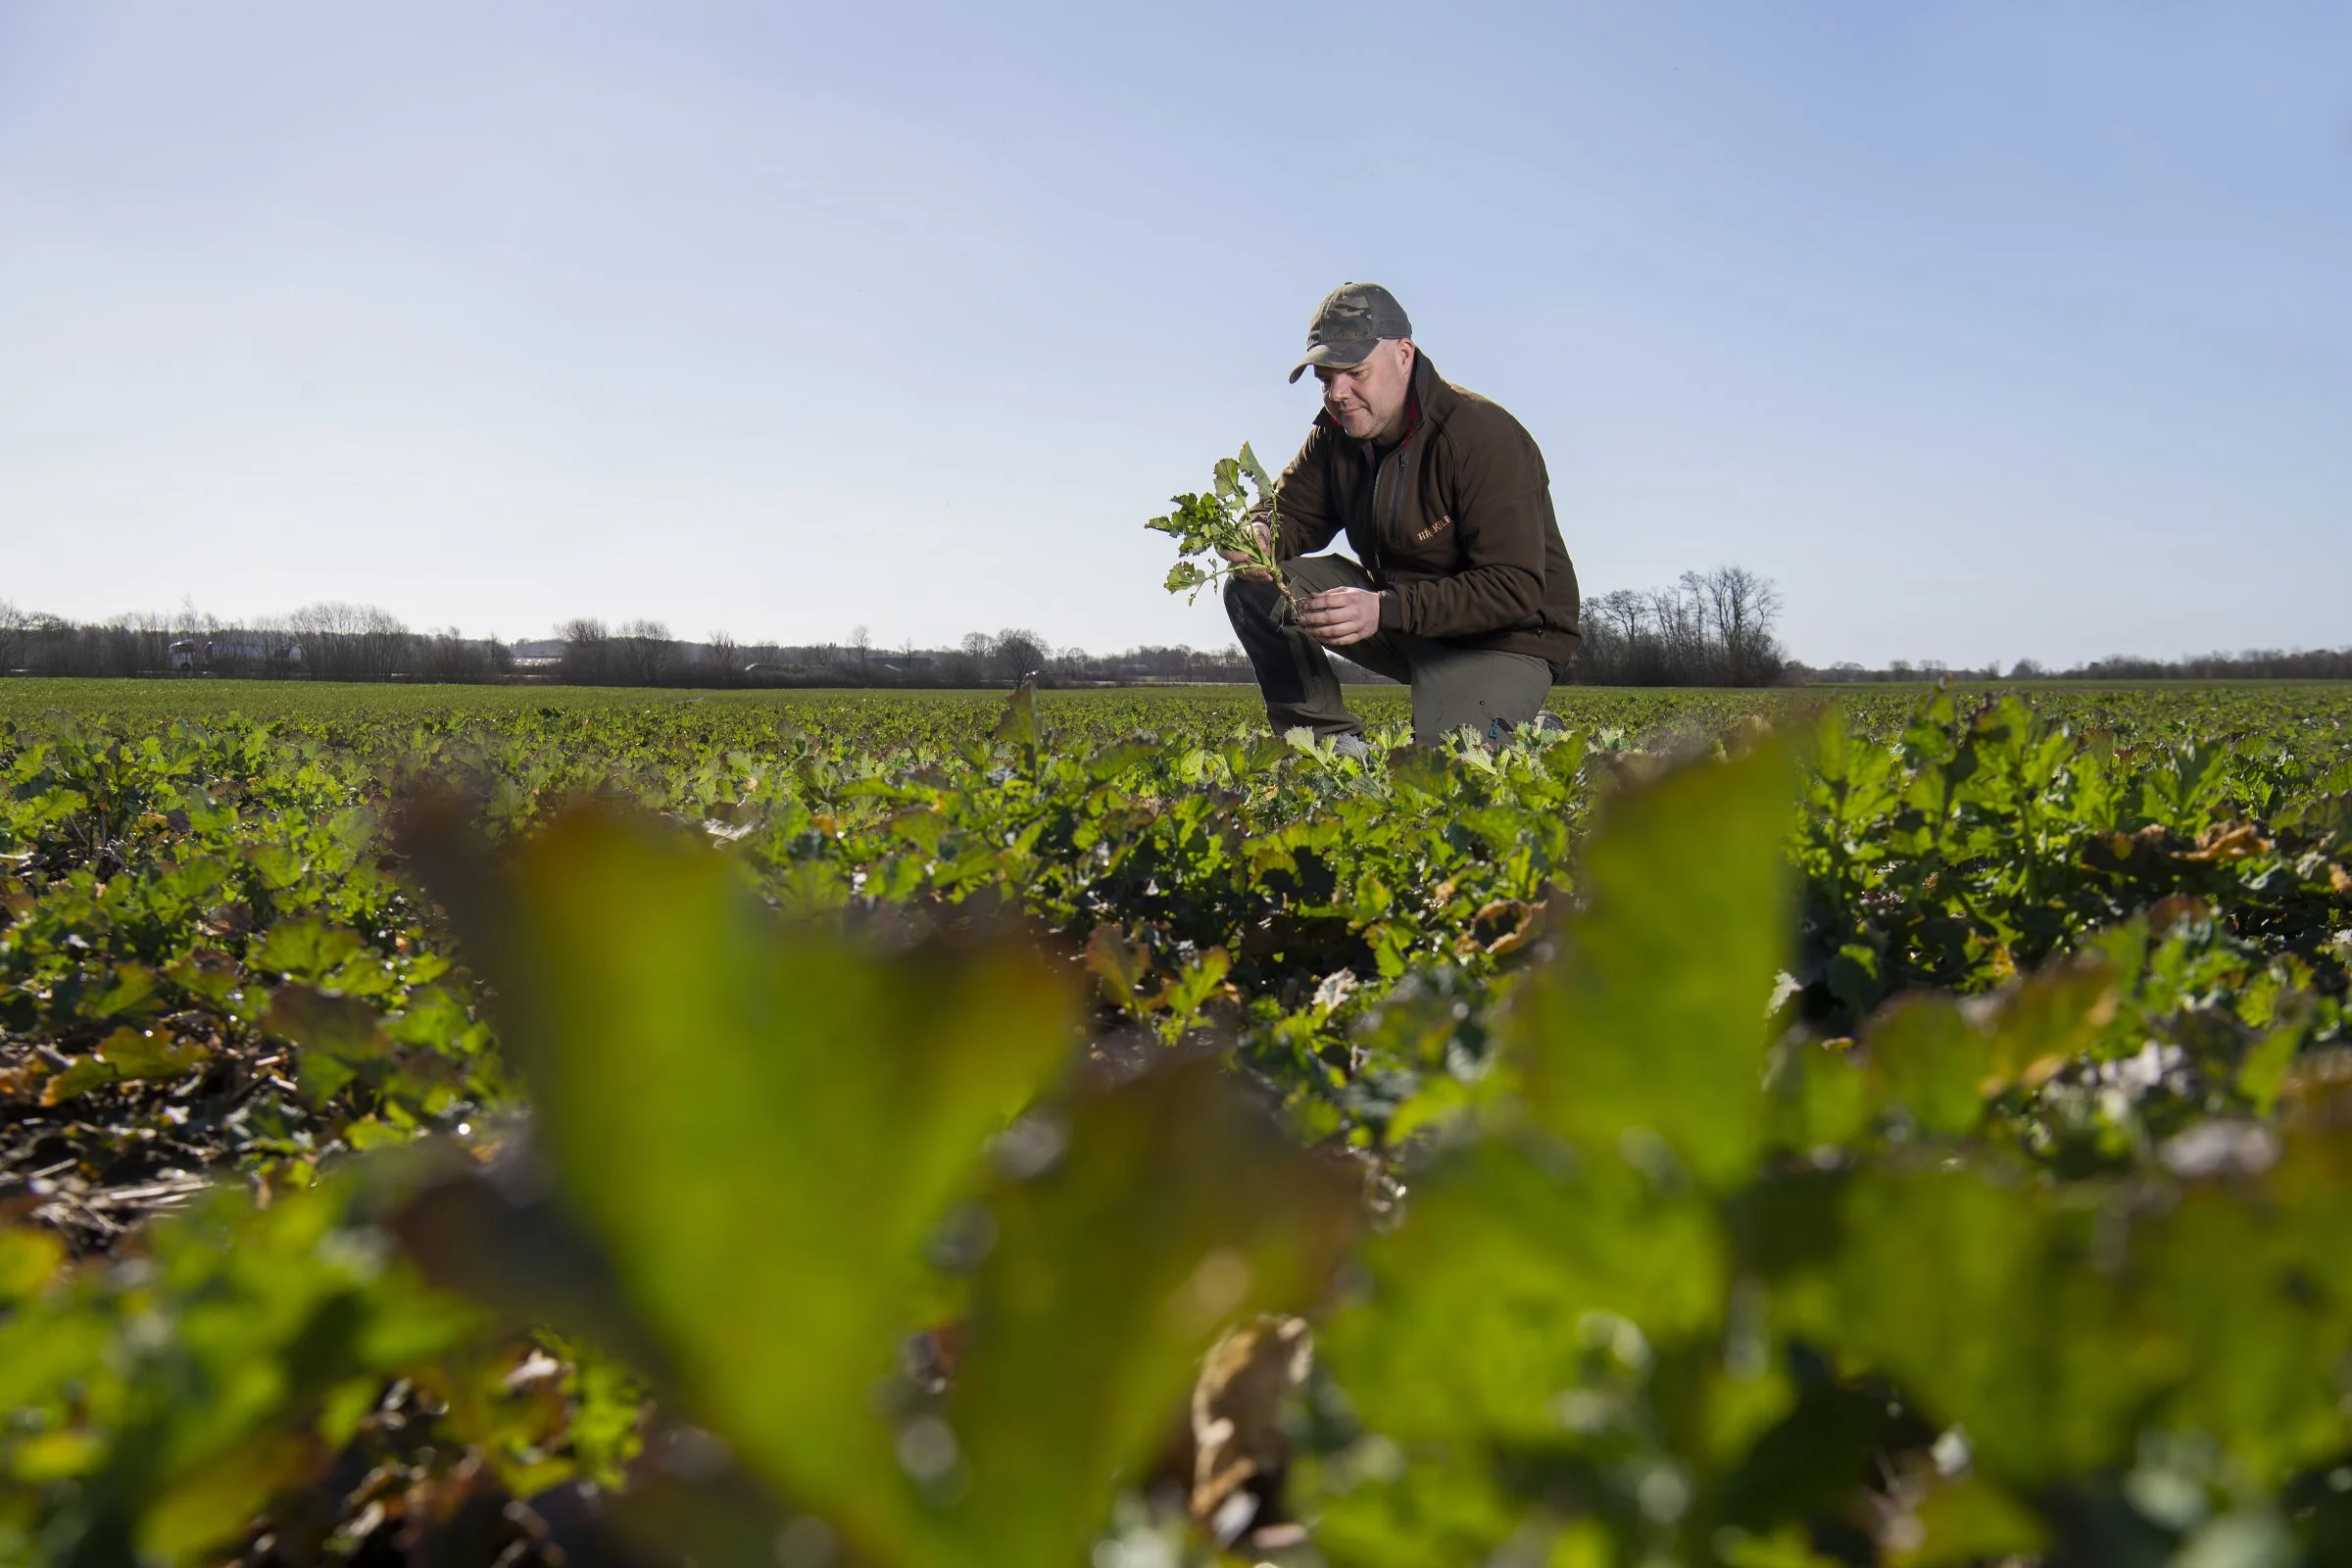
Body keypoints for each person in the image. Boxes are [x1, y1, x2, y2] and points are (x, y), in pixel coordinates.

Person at [1224, 282, 1580, 751]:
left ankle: (1526, 731)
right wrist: (1261, 533)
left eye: (1354, 372)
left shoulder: (1482, 437)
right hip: (1403, 620)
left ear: (1404, 355)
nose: (1337, 393)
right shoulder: (1337, 432)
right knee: (1255, 586)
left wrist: (1384, 609)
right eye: (1325, 379)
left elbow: (1514, 586)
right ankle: (1327, 742)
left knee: (1443, 770)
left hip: (1505, 637)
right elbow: (1289, 508)